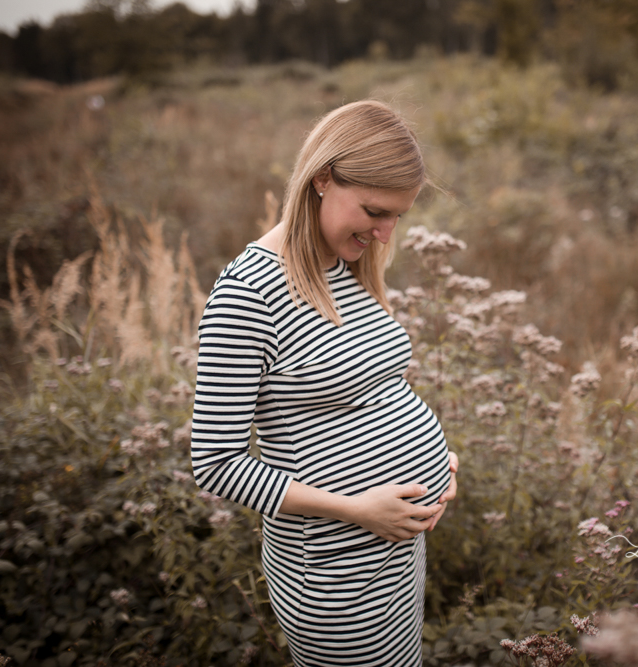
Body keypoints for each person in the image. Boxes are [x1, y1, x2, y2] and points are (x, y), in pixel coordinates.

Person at [191, 100, 458, 667]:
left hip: (394, 555)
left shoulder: (341, 265)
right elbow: (214, 463)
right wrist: (357, 509)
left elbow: (374, 392)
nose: (385, 235)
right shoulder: (249, 294)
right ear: (322, 178)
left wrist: (439, 465)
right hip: (335, 574)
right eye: (373, 210)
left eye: (397, 218)